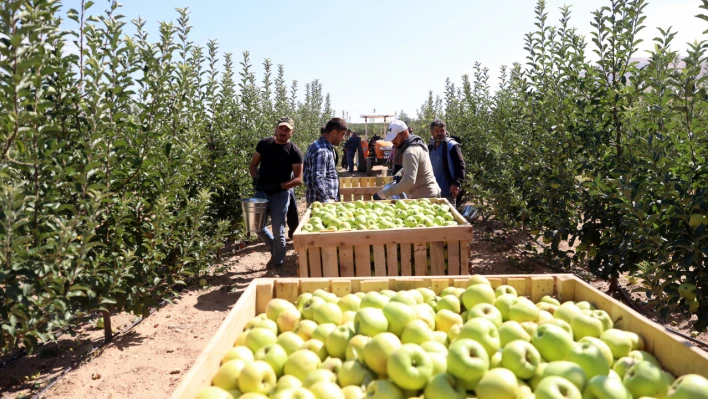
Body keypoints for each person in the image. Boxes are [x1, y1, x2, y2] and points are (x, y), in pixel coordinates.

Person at [249, 117, 303, 269]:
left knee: (279, 231)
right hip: (262, 190)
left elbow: (298, 179)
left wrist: (279, 186)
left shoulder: (294, 151)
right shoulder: (264, 144)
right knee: (256, 225)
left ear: (292, 132)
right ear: (276, 128)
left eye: (287, 129)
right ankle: (276, 250)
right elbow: (253, 165)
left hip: (281, 194)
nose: (283, 132)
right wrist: (255, 179)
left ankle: (277, 262)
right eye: (281, 128)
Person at [374, 120, 440, 200]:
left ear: (405, 133)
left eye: (395, 138)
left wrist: (384, 194)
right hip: (430, 192)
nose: (393, 141)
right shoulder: (417, 143)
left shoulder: (410, 152)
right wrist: (400, 173)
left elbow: (409, 181)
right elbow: (416, 166)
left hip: (424, 196)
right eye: (392, 138)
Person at [303, 118, 347, 205]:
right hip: (321, 203)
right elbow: (317, 177)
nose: (343, 138)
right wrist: (326, 199)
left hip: (321, 202)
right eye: (342, 134)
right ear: (334, 133)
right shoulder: (322, 151)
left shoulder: (318, 145)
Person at [428, 119, 466, 206]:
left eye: (442, 130)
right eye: (437, 131)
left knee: (448, 215)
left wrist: (456, 183)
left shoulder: (452, 145)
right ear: (432, 132)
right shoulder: (430, 147)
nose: (440, 133)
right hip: (433, 190)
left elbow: (460, 165)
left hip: (447, 190)